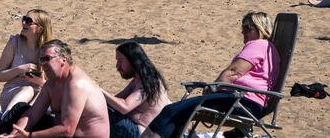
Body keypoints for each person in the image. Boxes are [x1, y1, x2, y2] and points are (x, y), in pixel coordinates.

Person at [144, 12, 280, 138]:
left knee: (172, 111)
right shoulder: (269, 49)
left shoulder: (258, 45)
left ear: (260, 29)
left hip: (242, 102)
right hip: (248, 103)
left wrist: (211, 88)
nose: (243, 31)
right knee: (179, 112)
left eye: (247, 28)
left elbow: (233, 72)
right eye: (243, 27)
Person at [0, 39, 110, 138]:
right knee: (20, 109)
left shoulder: (76, 84)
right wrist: (16, 133)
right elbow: (32, 114)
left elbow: (67, 130)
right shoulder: (52, 83)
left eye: (47, 58)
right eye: (41, 60)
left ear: (63, 60)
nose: (43, 64)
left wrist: (29, 135)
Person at [101, 42, 170, 137]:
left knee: (106, 114)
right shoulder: (137, 80)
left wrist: (99, 90)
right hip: (134, 128)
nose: (117, 66)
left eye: (120, 61)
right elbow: (114, 101)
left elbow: (125, 107)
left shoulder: (149, 82)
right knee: (103, 109)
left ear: (133, 60)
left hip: (141, 133)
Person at [0, 10, 52, 115]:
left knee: (43, 93)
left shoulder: (48, 50)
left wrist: (41, 82)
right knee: (28, 89)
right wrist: (19, 69)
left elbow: (54, 83)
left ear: (39, 29)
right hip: (13, 93)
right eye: (24, 19)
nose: (24, 23)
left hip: (38, 95)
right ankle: (7, 117)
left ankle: (27, 120)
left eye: (29, 21)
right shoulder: (14, 43)